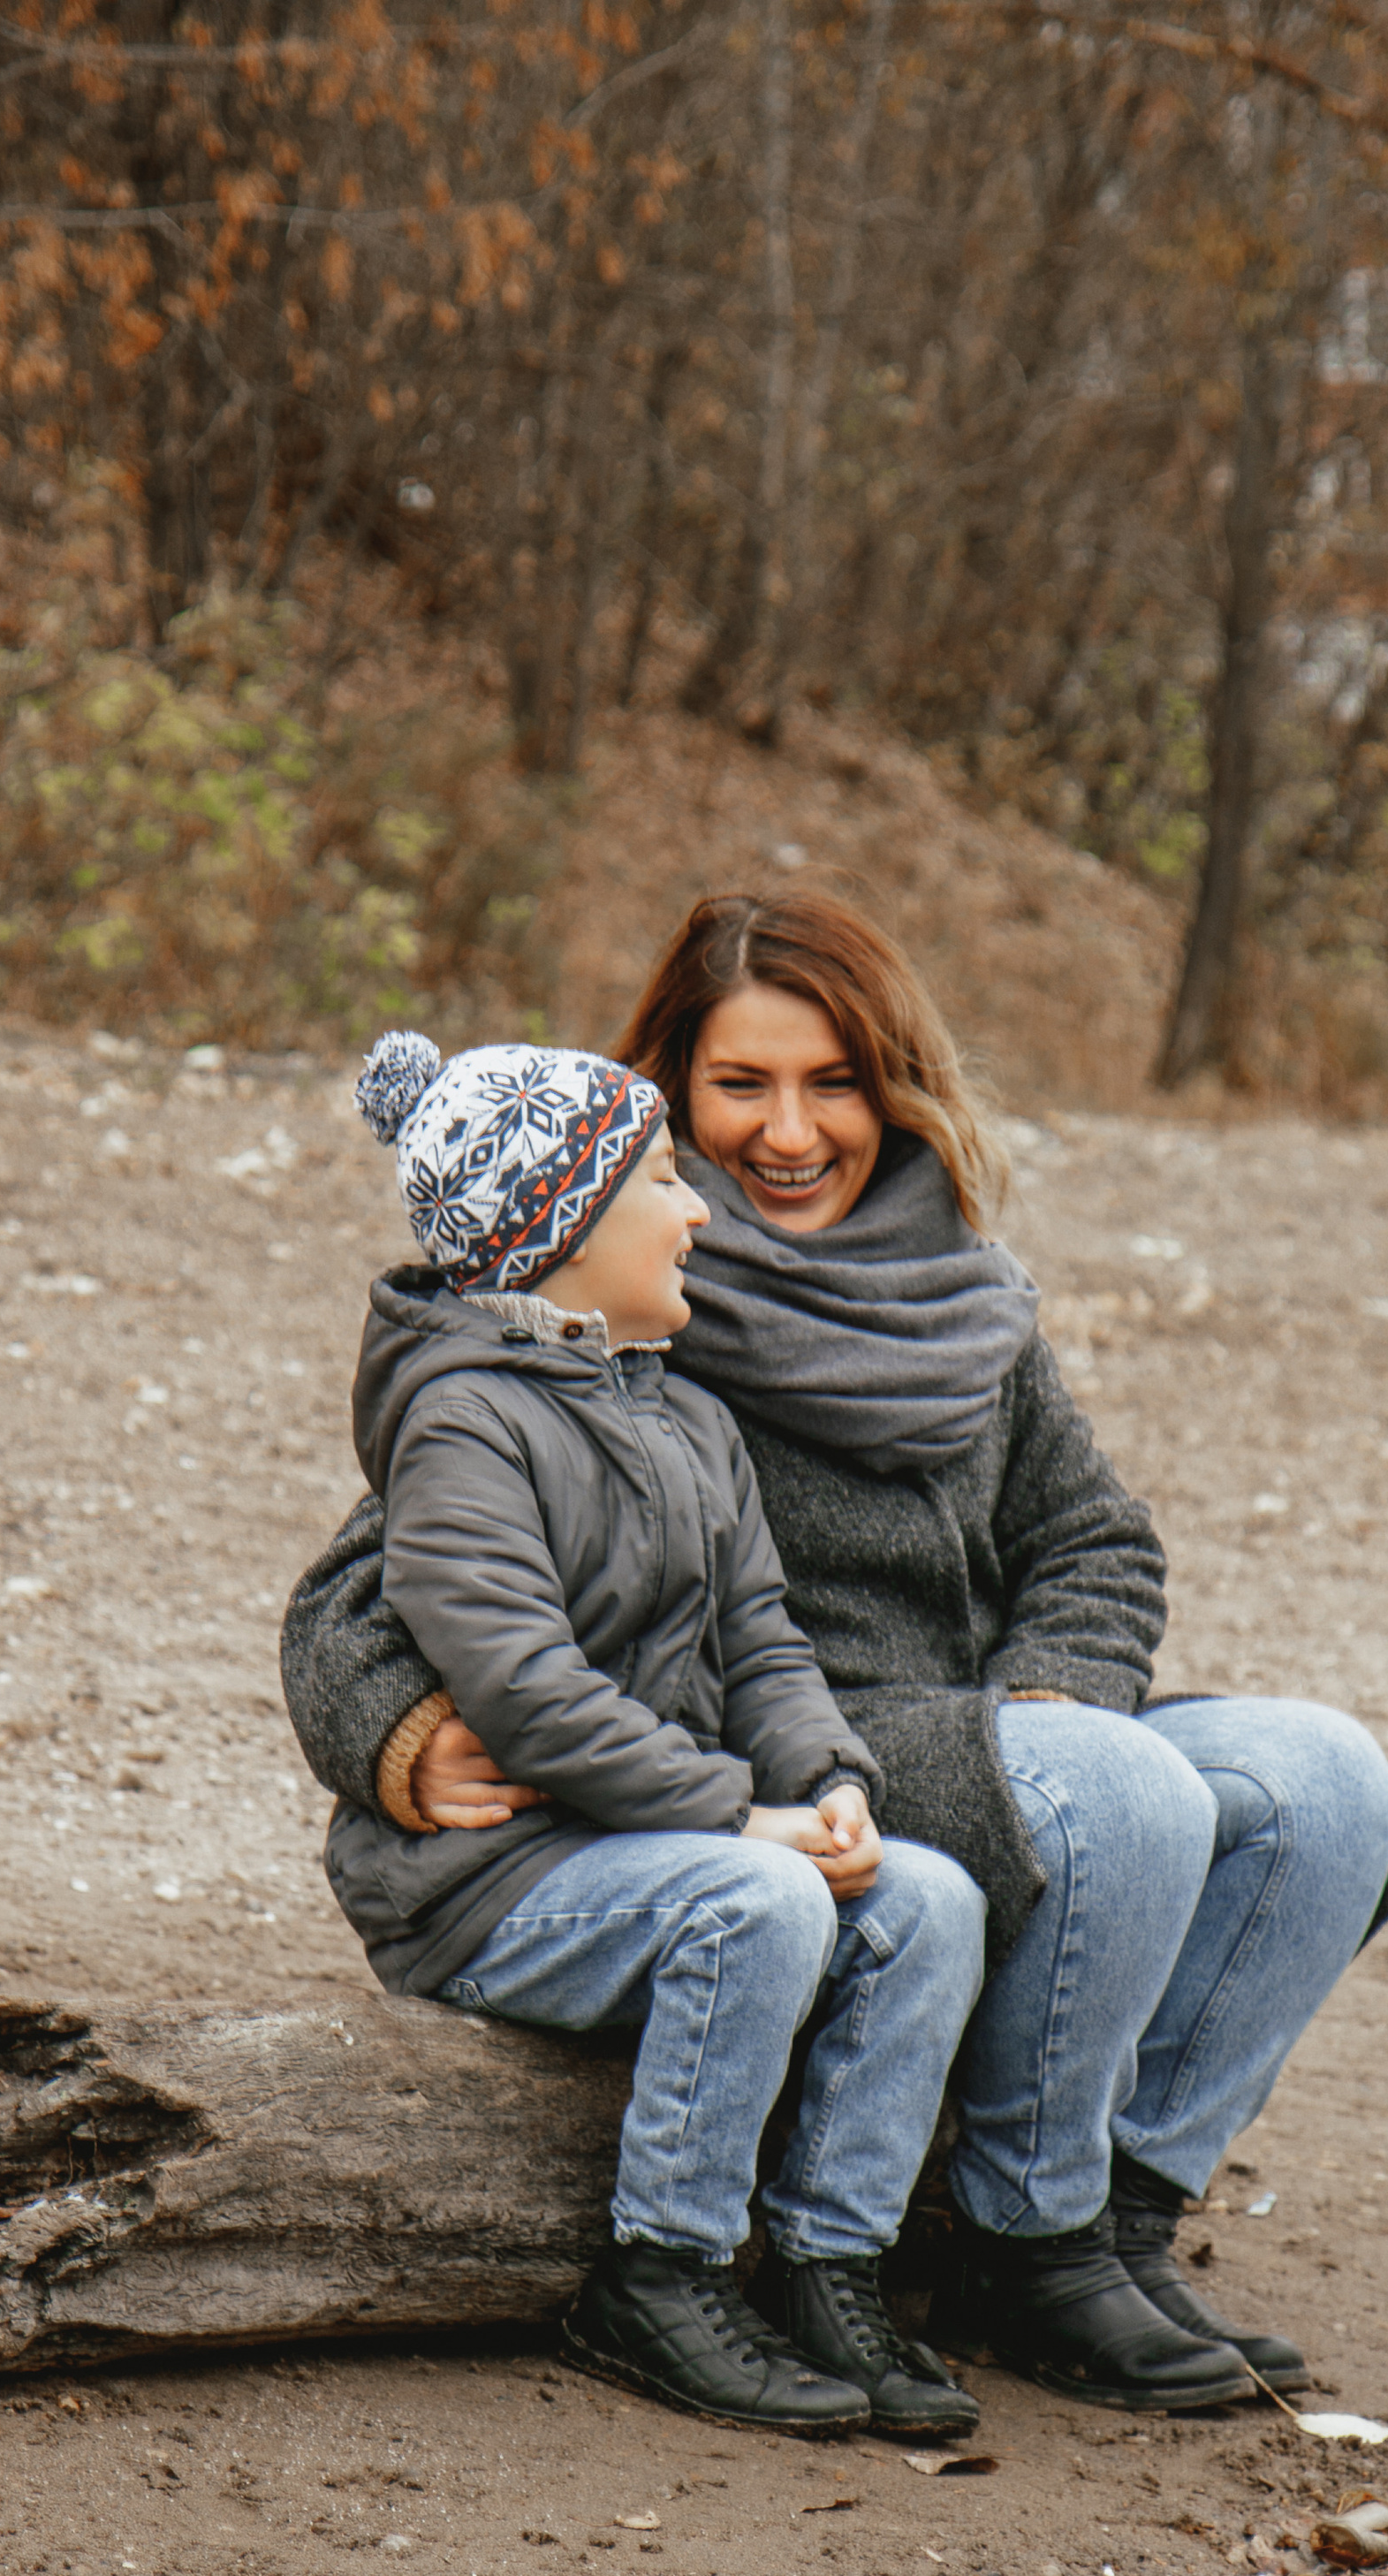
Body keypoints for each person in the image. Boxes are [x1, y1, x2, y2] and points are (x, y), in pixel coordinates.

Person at [284, 896, 1388, 2419]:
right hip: (764, 1754)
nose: (790, 1133)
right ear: (673, 1094)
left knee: (1324, 1778)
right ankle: (1034, 2238)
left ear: (896, 1084)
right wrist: (402, 1736)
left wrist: (1054, 1696)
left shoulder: (959, 1293)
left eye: (832, 1083)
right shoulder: (610, 1298)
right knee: (1124, 1791)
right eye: (740, 1088)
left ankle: (1132, 2220)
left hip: (959, 1726)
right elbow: (366, 1589)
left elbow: (1098, 1543)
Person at [319, 1024, 987, 2441]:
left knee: (929, 1899)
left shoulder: (686, 1416)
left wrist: (829, 1782)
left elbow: (764, 1640)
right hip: (493, 1889)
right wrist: (740, 1819)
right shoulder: (467, 1425)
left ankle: (826, 2261)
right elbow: (525, 1691)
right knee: (755, 1899)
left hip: (652, 1851)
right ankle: (663, 2271)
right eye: (666, 1182)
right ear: (555, 1233)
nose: (699, 1213)